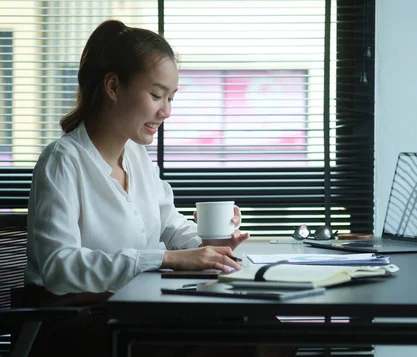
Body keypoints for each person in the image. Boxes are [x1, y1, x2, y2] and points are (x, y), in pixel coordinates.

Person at [23, 19, 295, 357]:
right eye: (156, 95)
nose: (166, 111)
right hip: (79, 324)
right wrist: (166, 258)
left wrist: (208, 245)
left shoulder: (136, 156)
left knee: (266, 327)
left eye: (171, 97)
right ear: (113, 87)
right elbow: (58, 267)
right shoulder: (62, 161)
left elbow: (169, 224)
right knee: (239, 343)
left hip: (135, 310)